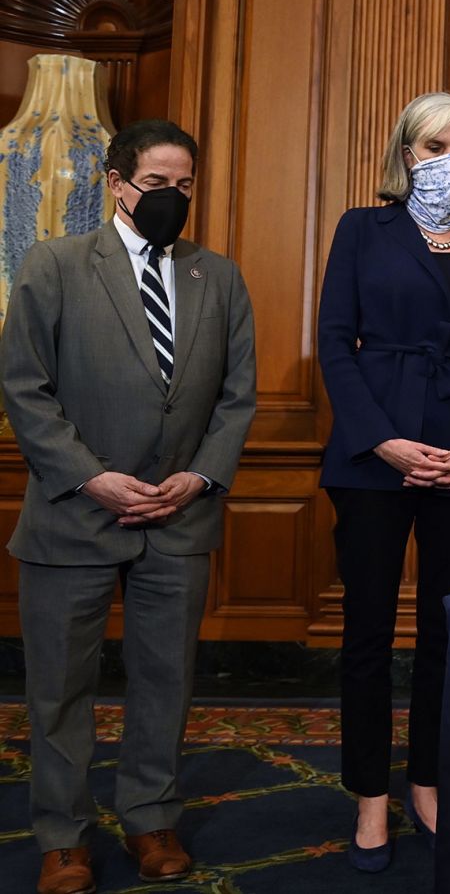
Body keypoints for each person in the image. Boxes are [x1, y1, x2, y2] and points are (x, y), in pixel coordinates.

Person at [1, 119, 257, 894]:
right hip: (75, 514)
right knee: (60, 689)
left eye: (184, 185)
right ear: (117, 183)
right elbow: (24, 388)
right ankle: (63, 838)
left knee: (164, 681)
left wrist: (201, 478)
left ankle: (151, 821)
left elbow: (237, 400)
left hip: (178, 520)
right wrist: (90, 477)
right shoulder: (56, 264)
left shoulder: (220, 277)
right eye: (156, 184)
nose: (171, 197)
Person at [318, 92, 450, 871]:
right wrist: (385, 440)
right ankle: (369, 793)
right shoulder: (361, 230)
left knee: (443, 632)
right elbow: (336, 342)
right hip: (374, 457)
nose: (449, 161)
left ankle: (426, 780)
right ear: (406, 154)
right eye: (434, 147)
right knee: (368, 633)